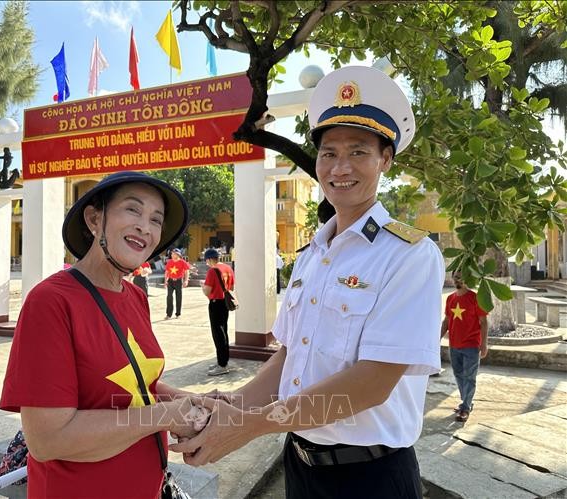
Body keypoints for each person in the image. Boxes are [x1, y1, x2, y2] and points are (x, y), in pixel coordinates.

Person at [171, 65, 445, 499]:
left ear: (385, 160)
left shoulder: (410, 255)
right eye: (328, 153)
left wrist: (251, 426)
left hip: (371, 478)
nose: (340, 167)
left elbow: (373, 383)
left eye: (358, 152)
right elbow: (288, 357)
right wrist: (234, 404)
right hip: (299, 466)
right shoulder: (312, 254)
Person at [0, 171, 209, 498]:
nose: (146, 227)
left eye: (156, 220)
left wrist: (185, 399)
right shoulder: (51, 301)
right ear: (95, 218)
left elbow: (133, 384)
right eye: (133, 210)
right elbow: (47, 440)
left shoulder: (136, 297)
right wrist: (165, 415)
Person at [440, 271, 488, 422]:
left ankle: (465, 407)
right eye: (455, 277)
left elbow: (484, 322)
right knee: (459, 375)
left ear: (467, 278)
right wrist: (437, 339)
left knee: (469, 377)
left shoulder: (475, 298)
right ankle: (466, 402)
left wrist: (484, 343)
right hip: (454, 344)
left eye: (460, 276)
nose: (457, 280)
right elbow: (446, 321)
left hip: (471, 345)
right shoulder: (450, 298)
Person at [201, 248, 236, 376]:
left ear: (210, 259)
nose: (206, 263)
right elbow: (231, 287)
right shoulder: (228, 268)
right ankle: (223, 361)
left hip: (215, 303)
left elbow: (207, 291)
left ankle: (222, 365)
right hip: (225, 304)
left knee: (218, 334)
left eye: (206, 260)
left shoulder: (212, 270)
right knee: (224, 332)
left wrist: (202, 287)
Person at [164, 248, 191, 319]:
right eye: (172, 254)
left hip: (179, 281)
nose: (172, 255)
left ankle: (178, 314)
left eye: (174, 254)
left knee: (178, 297)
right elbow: (166, 272)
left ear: (178, 255)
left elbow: (186, 271)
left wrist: (186, 280)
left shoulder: (182, 262)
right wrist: (165, 281)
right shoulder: (169, 262)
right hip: (170, 281)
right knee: (169, 297)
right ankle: (168, 314)